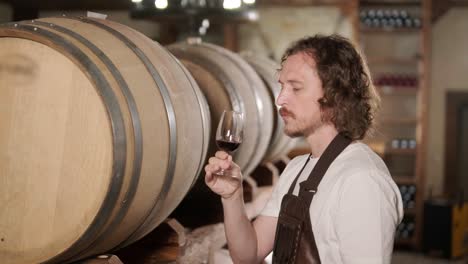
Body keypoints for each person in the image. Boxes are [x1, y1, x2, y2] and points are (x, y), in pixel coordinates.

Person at [204, 34, 404, 264]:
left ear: (334, 96)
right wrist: (232, 197)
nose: (280, 99)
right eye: (282, 86)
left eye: (295, 88)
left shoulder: (361, 180)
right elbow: (249, 253)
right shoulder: (297, 168)